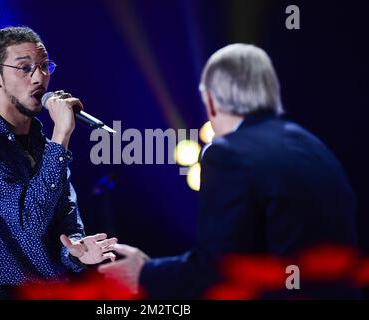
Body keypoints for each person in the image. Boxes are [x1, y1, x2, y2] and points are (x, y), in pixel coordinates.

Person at [98, 44, 359, 299]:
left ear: (211, 101)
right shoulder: (313, 145)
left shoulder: (226, 153)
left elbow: (216, 268)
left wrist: (145, 273)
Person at [0, 27, 117, 298]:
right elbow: (29, 220)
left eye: (44, 66)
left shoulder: (49, 151)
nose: (39, 77)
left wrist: (78, 251)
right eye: (25, 68)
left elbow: (66, 229)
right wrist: (61, 134)